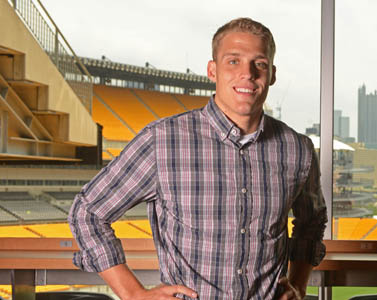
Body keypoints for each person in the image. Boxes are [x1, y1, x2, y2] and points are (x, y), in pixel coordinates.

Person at [68, 17, 327, 300]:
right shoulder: (162, 141)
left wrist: (299, 284)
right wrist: (132, 293)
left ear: (272, 74)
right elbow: (88, 212)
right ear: (212, 70)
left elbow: (312, 222)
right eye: (233, 61)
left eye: (259, 64)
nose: (248, 74)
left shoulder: (297, 149)